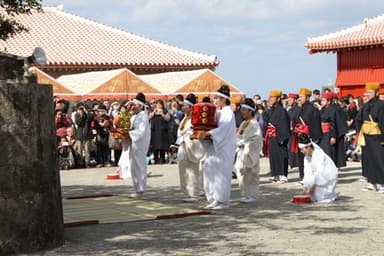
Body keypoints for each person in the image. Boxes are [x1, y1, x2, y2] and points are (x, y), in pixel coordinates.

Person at [197, 85, 236, 210]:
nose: (214, 101)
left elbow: (223, 129)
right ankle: (213, 198)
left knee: (221, 173)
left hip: (223, 148)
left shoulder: (228, 112)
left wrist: (208, 133)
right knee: (210, 171)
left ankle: (223, 201)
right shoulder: (218, 112)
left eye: (216, 98)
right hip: (214, 146)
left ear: (223, 99)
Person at [119, 93, 151, 198]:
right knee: (134, 166)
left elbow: (140, 132)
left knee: (139, 166)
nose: (133, 106)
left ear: (141, 106)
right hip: (133, 143)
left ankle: (140, 189)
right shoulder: (135, 116)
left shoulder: (142, 116)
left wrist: (130, 134)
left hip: (139, 144)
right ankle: (137, 188)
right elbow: (126, 123)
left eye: (135, 105)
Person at [355, 82, 384, 193]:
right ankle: (372, 182)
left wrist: (383, 137)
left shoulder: (381, 105)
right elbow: (359, 119)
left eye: (370, 92)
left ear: (377, 92)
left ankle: (382, 183)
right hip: (366, 135)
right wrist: (359, 131)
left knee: (379, 159)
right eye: (367, 92)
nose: (368, 94)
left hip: (377, 135)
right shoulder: (365, 105)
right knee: (368, 160)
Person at [176, 93, 204, 202]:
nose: (182, 107)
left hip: (191, 147)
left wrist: (186, 138)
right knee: (184, 170)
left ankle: (194, 194)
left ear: (191, 107)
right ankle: (188, 192)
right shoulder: (185, 118)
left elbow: (195, 134)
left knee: (192, 170)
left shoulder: (195, 118)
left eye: (185, 105)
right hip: (183, 147)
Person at [234, 98, 263, 203]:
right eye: (242, 109)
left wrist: (245, 143)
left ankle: (252, 195)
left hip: (250, 151)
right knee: (241, 172)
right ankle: (245, 194)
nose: (242, 112)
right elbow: (239, 135)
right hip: (241, 152)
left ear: (250, 111)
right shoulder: (243, 123)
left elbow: (256, 139)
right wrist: (237, 141)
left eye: (244, 110)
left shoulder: (254, 124)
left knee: (251, 173)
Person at [293, 87, 322, 182]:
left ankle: (312, 177)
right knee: (301, 157)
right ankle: (303, 176)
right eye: (299, 96)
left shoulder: (313, 109)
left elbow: (316, 124)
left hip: (309, 136)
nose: (299, 98)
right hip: (300, 136)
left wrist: (314, 138)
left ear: (308, 97)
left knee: (311, 158)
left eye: (302, 96)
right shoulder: (298, 109)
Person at [298, 134, 338, 203]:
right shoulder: (306, 158)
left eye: (302, 149)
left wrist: (313, 187)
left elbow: (321, 173)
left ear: (308, 147)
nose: (301, 151)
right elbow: (307, 172)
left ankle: (327, 193)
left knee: (320, 197)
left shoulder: (320, 155)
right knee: (311, 194)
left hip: (328, 177)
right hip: (316, 178)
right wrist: (306, 188)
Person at [263, 90, 290, 183]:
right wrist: (268, 109)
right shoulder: (270, 110)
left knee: (281, 154)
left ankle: (283, 175)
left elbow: (284, 124)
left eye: (272, 98)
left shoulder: (282, 110)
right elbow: (266, 122)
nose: (270, 99)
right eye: (269, 97)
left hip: (279, 135)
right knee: (273, 155)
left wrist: (283, 137)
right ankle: (275, 174)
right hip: (271, 135)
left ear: (278, 99)